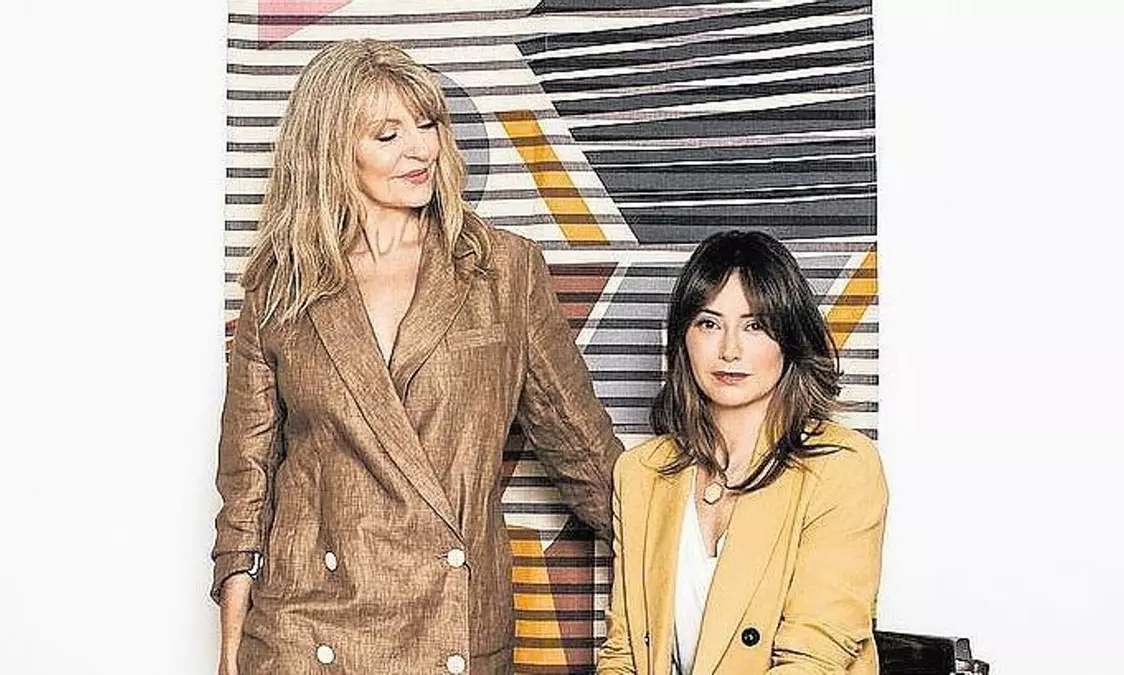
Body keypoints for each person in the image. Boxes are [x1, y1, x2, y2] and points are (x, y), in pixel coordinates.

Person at [212, 39, 622, 675]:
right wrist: (231, 649)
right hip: (303, 630)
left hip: (450, 621)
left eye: (427, 125)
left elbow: (583, 450)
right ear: (330, 150)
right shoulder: (282, 284)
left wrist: (694, 549)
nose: (421, 149)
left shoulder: (502, 270)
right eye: (388, 134)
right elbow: (247, 482)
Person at [597, 231, 888, 674]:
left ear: (789, 338)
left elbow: (815, 660)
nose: (730, 350)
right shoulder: (641, 472)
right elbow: (623, 654)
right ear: (683, 338)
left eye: (755, 326)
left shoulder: (842, 467)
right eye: (709, 324)